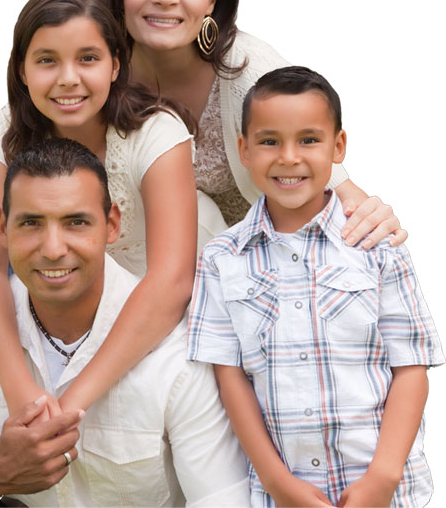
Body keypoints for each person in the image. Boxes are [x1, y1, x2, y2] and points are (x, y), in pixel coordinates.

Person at [0, 138, 250, 507]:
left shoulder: (178, 352)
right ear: (2, 227)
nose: (53, 249)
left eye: (76, 222)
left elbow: (222, 498)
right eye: (31, 223)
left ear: (112, 224)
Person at [188, 66, 444, 507]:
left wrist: (383, 477)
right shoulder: (221, 259)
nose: (289, 157)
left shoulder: (376, 245)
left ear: (338, 147)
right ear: (244, 150)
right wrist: (277, 483)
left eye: (308, 139)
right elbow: (230, 378)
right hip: (282, 495)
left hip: (386, 491)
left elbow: (411, 366)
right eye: (269, 141)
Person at [0, 0, 225, 419]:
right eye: (47, 60)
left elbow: (171, 280)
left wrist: (71, 403)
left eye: (87, 58)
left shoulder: (156, 131)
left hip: (176, 308)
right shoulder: (8, 128)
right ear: (22, 70)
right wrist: (23, 397)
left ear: (114, 65)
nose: (69, 78)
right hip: (72, 308)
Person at [101, 0, 405, 243]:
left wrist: (371, 219)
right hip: (134, 252)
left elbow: (327, 178)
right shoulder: (94, 68)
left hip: (258, 264)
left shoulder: (251, 72)